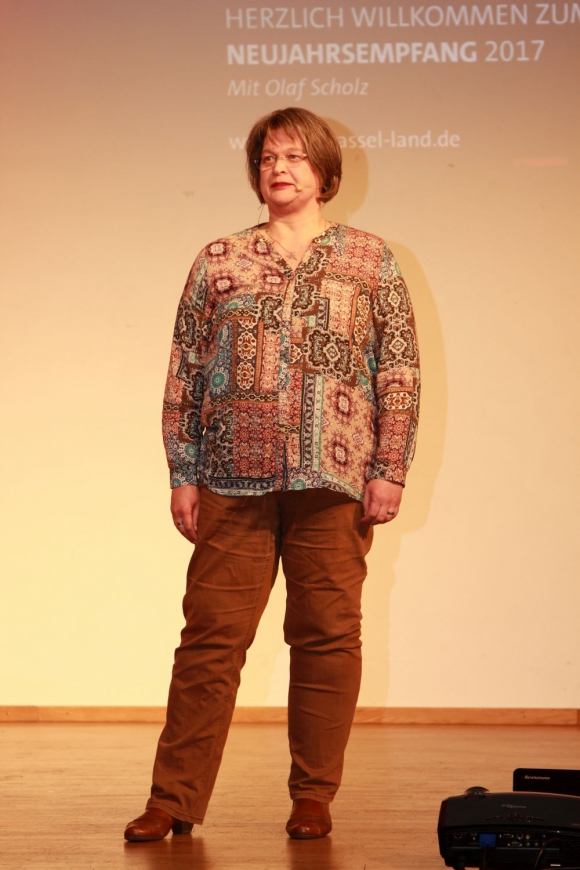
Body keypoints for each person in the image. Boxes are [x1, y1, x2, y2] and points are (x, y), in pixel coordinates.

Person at [124, 107, 420, 842]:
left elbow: (399, 373)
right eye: (266, 158)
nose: (278, 168)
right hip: (231, 477)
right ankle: (172, 799)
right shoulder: (219, 259)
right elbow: (185, 373)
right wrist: (183, 472)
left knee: (327, 638)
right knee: (210, 641)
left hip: (334, 479)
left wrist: (389, 468)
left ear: (324, 170)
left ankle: (313, 796)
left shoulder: (371, 261)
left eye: (293, 156)